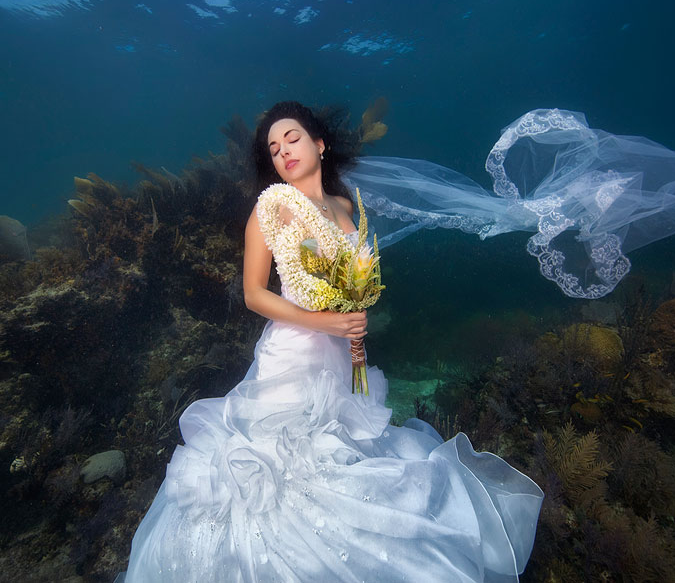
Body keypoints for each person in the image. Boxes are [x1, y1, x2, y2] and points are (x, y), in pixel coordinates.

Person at [122, 101, 545, 582]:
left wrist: (354, 319)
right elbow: (254, 294)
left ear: (320, 144)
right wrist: (320, 321)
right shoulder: (271, 208)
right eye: (274, 149)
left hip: (342, 357)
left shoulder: (345, 207)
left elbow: (353, 281)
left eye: (292, 139)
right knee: (286, 472)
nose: (284, 152)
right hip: (293, 355)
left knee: (348, 454)